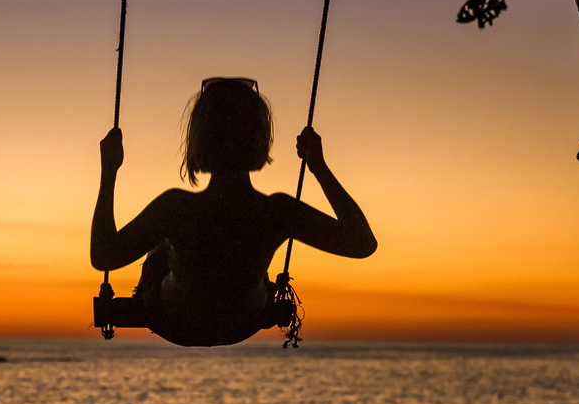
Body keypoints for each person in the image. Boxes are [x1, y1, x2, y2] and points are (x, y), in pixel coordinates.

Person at [91, 77, 377, 346]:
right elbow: (361, 243)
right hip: (242, 322)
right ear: (259, 138)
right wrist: (318, 167)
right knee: (253, 269)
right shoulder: (276, 212)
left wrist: (109, 172)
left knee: (161, 249)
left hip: (177, 321)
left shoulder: (176, 209)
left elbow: (104, 255)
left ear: (199, 140)